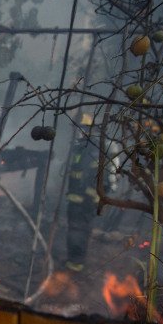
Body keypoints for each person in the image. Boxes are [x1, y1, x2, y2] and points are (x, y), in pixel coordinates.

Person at [65, 113, 100, 273]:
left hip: (84, 202)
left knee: (78, 231)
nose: (77, 132)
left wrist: (88, 197)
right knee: (74, 230)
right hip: (75, 200)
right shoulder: (80, 148)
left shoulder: (93, 150)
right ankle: (74, 260)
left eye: (80, 129)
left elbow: (96, 177)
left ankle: (76, 265)